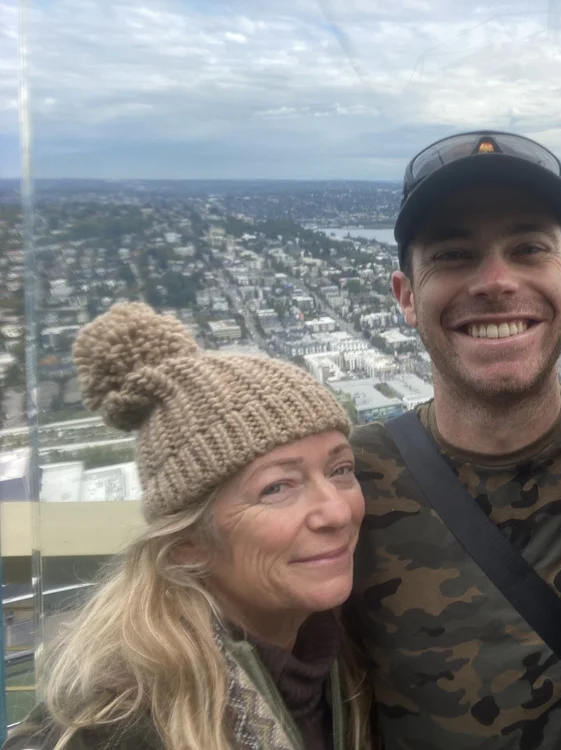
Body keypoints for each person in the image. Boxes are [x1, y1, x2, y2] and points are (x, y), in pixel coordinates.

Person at [346, 131, 561, 749]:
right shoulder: (345, 485)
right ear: (406, 297)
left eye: (529, 248)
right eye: (452, 255)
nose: (497, 281)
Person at [4, 303, 371, 750]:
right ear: (186, 545)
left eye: (340, 470)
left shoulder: (341, 645)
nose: (336, 512)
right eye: (277, 488)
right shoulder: (112, 723)